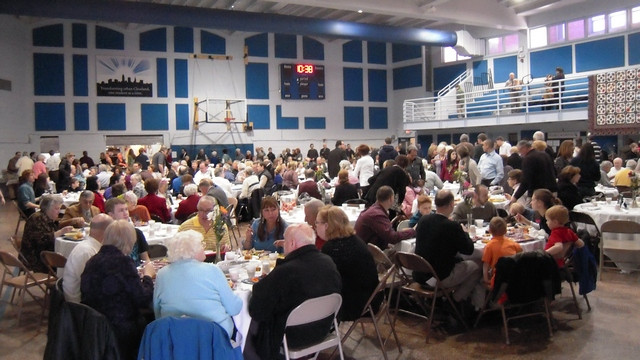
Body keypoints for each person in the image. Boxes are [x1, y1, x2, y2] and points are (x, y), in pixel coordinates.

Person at [247, 223, 342, 360]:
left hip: (294, 335)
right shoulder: (329, 262)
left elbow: (257, 310)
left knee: (250, 324)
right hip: (323, 328)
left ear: (291, 243)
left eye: (285, 241)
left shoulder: (286, 271)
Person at [81, 220, 156, 359]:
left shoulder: (93, 260)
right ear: (129, 241)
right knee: (153, 321)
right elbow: (143, 299)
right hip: (118, 328)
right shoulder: (122, 262)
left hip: (93, 324)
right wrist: (148, 276)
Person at [153, 230, 242, 337]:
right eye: (201, 244)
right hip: (213, 336)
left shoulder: (162, 274)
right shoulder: (212, 270)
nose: (204, 247)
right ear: (193, 250)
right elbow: (234, 308)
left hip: (174, 336)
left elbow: (157, 312)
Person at [414, 190, 482, 307]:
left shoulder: (423, 220)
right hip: (439, 276)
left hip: (419, 274)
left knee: (461, 262)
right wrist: (465, 233)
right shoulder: (451, 226)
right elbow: (468, 249)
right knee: (477, 266)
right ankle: (455, 301)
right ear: (451, 204)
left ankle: (449, 300)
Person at [316, 205, 379, 321]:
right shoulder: (354, 239)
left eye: (317, 223)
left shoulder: (333, 248)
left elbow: (325, 279)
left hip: (355, 304)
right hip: (371, 299)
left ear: (326, 226)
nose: (315, 227)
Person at [63, 214, 113, 303]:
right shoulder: (88, 252)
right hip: (81, 306)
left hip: (80, 297)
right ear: (107, 232)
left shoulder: (90, 246)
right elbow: (91, 286)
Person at [21, 194, 73, 273]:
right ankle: (60, 282)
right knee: (69, 263)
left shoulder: (48, 218)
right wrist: (61, 232)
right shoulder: (37, 218)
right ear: (47, 208)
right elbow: (42, 240)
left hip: (44, 253)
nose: (59, 211)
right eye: (56, 208)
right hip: (36, 258)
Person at [105, 197, 150, 266]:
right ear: (111, 215)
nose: (125, 213)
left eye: (126, 209)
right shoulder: (108, 235)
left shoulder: (137, 233)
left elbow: (146, 259)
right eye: (121, 210)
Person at [511, 140, 558, 205]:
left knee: (529, 212)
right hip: (552, 190)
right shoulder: (545, 155)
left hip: (538, 194)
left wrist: (515, 197)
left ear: (524, 148)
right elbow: (554, 171)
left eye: (520, 151)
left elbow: (526, 180)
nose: (520, 154)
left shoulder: (528, 159)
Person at [481, 217, 522, 288]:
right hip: (514, 276)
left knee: (479, 283)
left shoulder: (489, 245)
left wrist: (486, 279)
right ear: (506, 230)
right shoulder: (513, 243)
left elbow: (486, 264)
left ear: (489, 230)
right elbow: (520, 255)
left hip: (498, 279)